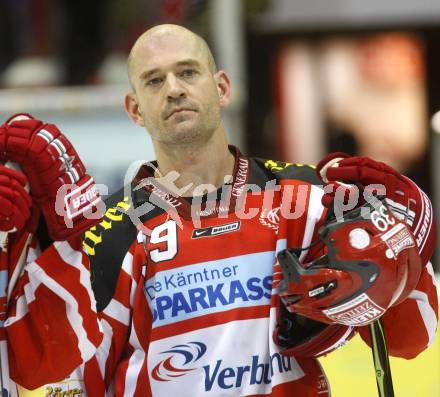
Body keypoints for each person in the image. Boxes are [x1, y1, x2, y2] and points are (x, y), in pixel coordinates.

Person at [0, 24, 437, 397]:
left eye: (187, 72)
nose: (174, 89)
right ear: (135, 109)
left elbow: (410, 339)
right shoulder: (110, 235)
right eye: (153, 81)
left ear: (222, 87)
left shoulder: (308, 199)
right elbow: (61, 379)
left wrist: (403, 247)